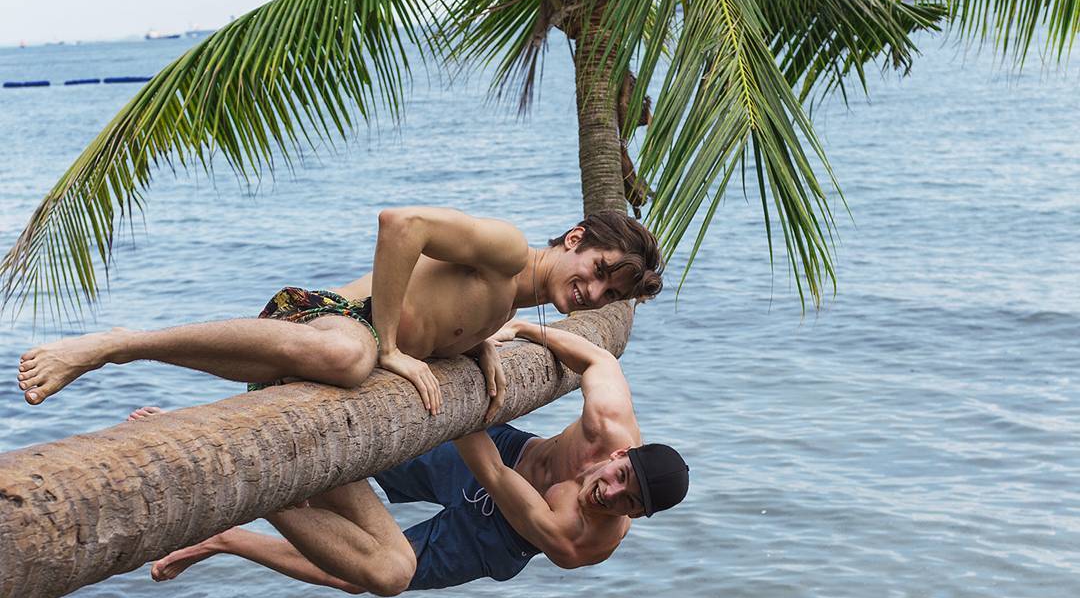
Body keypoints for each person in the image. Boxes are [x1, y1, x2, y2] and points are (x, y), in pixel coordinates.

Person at [148, 319, 690, 593]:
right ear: (622, 452)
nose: (612, 493)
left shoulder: (583, 542)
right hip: (509, 450)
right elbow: (598, 359)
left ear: (637, 517)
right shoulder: (611, 422)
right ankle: (203, 426)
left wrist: (451, 402)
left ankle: (227, 534)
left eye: (629, 503)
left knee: (367, 576)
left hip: (495, 534)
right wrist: (524, 329)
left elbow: (497, 481)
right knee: (352, 432)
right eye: (622, 476)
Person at [17, 207, 662, 417]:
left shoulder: (504, 302)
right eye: (600, 271)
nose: (593, 293)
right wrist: (388, 347)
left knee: (386, 569)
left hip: (316, 350)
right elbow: (399, 224)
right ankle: (114, 345)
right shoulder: (503, 248)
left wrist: (481, 345)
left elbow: (445, 309)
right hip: (322, 318)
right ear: (575, 239)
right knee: (353, 357)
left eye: (610, 295)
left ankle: (166, 413)